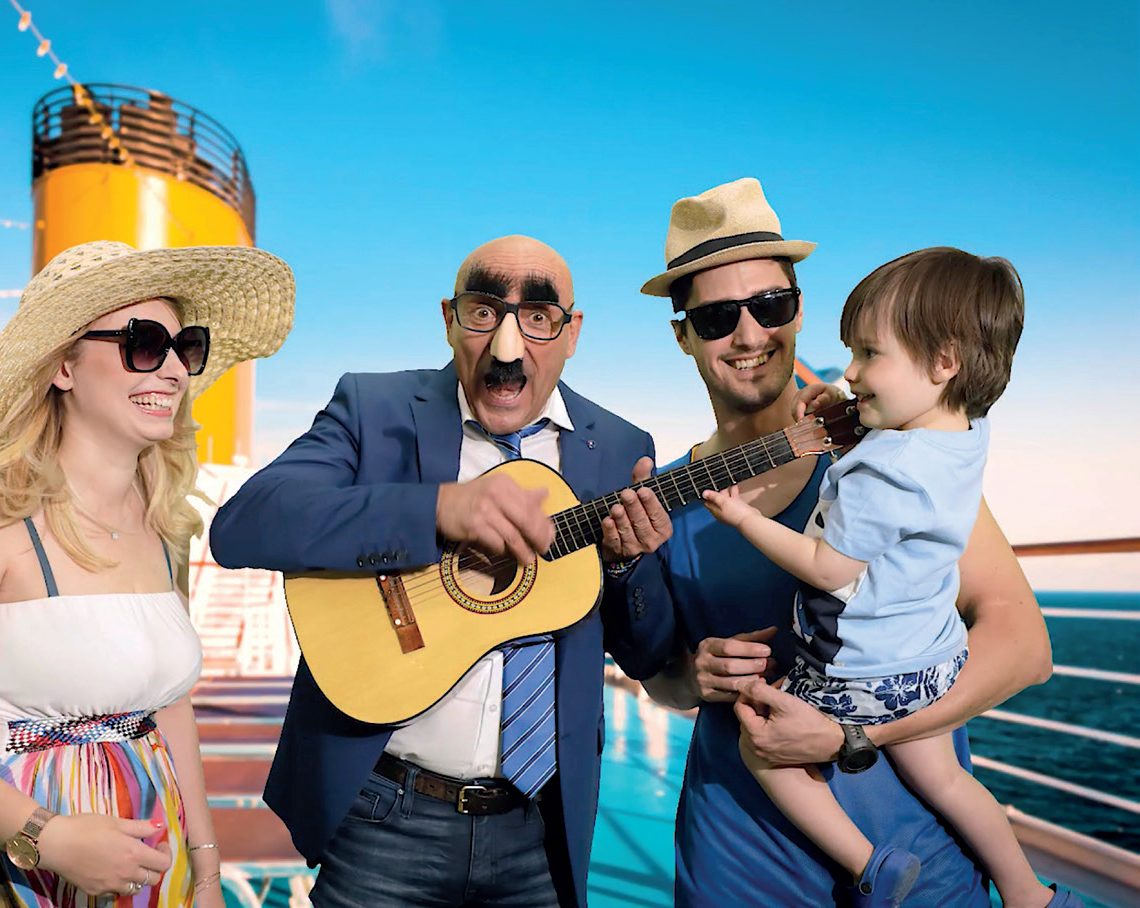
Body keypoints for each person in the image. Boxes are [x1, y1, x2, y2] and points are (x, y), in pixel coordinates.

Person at [209, 235, 677, 908]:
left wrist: (630, 564)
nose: (508, 349)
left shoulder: (621, 449)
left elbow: (646, 654)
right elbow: (246, 524)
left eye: (538, 318)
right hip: (383, 817)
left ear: (572, 333)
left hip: (538, 832)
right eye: (483, 312)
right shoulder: (374, 407)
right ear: (449, 319)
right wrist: (437, 510)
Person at [638, 178, 1055, 907]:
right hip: (739, 867)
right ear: (683, 335)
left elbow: (1025, 649)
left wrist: (852, 738)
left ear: (798, 310)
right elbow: (662, 682)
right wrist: (694, 676)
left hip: (921, 861)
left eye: (771, 305)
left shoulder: (888, 445)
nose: (749, 335)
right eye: (716, 317)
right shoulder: (667, 497)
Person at [0, 241, 295, 908]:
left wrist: (204, 869)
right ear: (62, 365)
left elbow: (166, 705)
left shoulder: (164, 522)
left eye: (186, 347)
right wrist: (47, 836)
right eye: (144, 344)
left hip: (153, 845)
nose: (175, 369)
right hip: (14, 854)